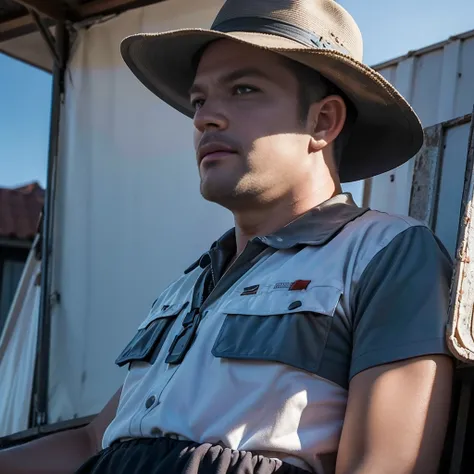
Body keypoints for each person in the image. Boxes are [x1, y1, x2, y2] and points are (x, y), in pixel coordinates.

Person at [0, 0, 454, 473]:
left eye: (242, 89)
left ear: (322, 122)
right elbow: (94, 441)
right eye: (199, 101)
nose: (204, 118)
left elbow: (383, 465)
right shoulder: (189, 286)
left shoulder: (385, 254)